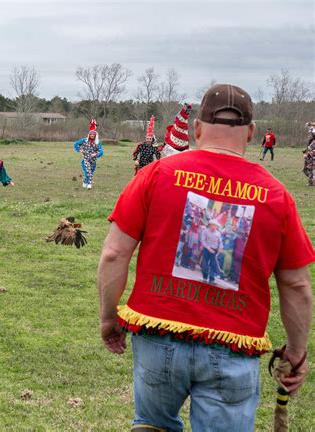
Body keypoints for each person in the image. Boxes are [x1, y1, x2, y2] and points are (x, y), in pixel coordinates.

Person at [97, 84, 314, 432]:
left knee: (151, 425)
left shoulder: (156, 175)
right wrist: (297, 353)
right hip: (232, 350)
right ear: (252, 132)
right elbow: (297, 284)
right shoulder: (277, 197)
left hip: (157, 338)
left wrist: (109, 317)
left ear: (197, 128)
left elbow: (113, 253)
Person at [74, 118, 104, 189]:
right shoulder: (84, 141)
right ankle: (89, 184)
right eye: (91, 135)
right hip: (86, 159)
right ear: (89, 135)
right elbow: (76, 144)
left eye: (93, 135)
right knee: (88, 171)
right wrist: (79, 149)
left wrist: (95, 154)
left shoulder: (97, 143)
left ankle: (85, 181)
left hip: (93, 161)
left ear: (95, 135)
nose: (92, 136)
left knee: (89, 172)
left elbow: (101, 152)